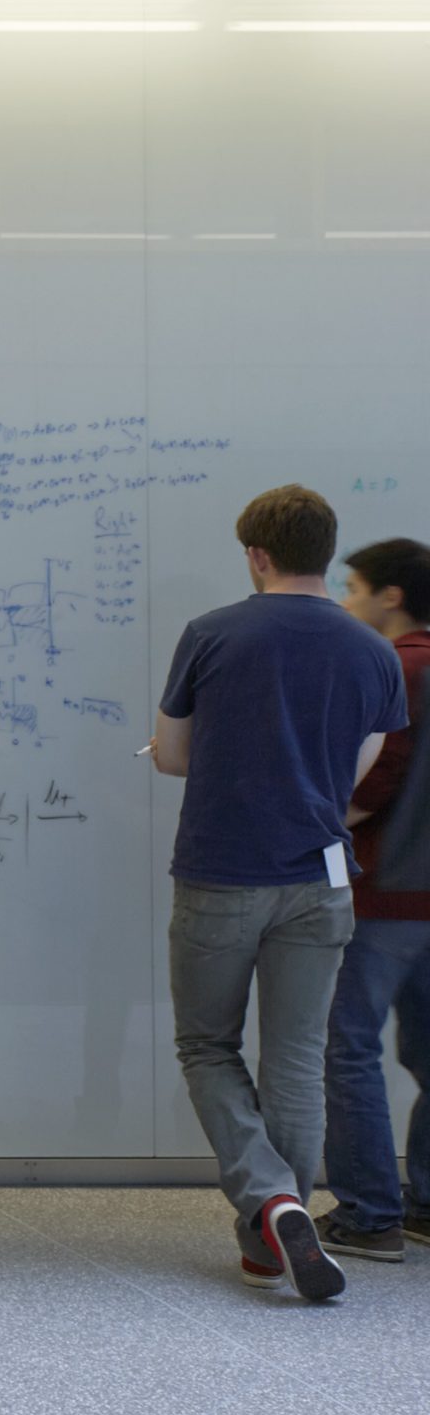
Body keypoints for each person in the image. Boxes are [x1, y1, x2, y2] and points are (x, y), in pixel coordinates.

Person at [152, 486, 408, 1303]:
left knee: (206, 1046)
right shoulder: (373, 652)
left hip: (223, 871)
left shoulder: (212, 634)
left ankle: (270, 1200)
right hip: (320, 876)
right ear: (325, 552)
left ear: (257, 555)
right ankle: (273, 1239)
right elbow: (359, 770)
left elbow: (171, 753)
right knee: (296, 1058)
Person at [320, 538, 430, 1261]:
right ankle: (423, 1201)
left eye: (355, 586)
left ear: (392, 596)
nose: (348, 599)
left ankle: (367, 1214)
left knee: (348, 1048)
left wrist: (320, 816)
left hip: (386, 895)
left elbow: (376, 777)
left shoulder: (402, 666)